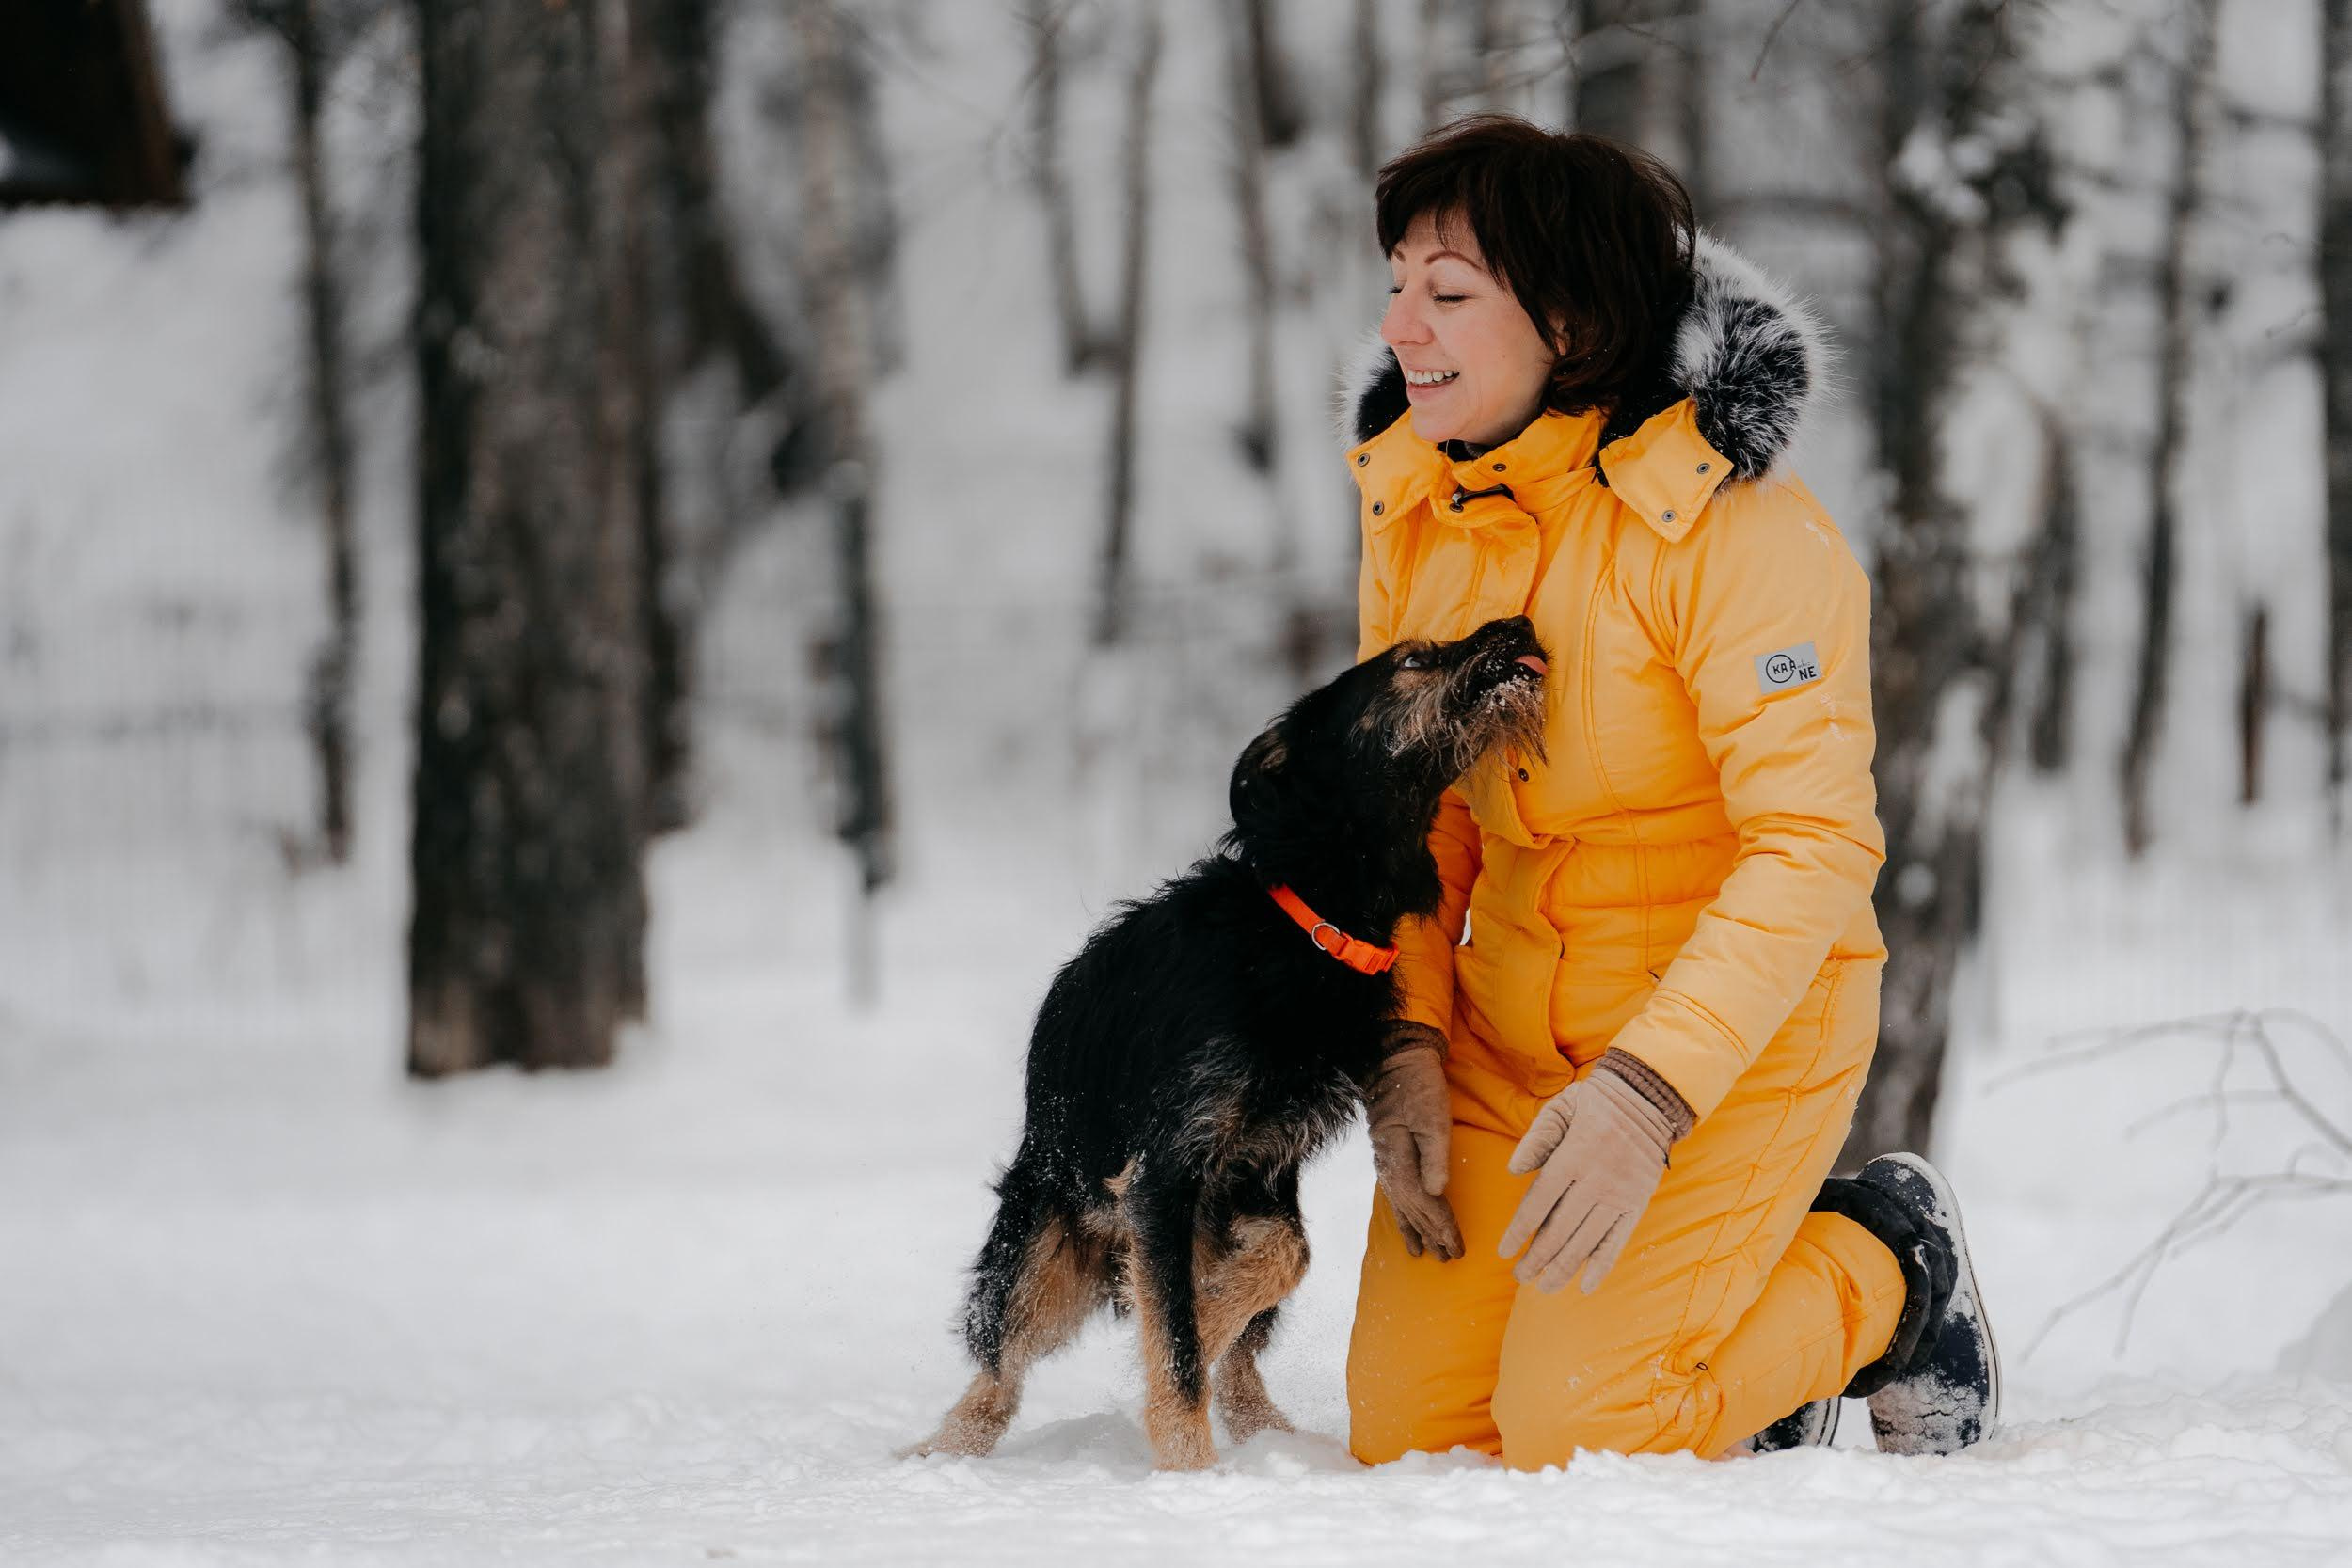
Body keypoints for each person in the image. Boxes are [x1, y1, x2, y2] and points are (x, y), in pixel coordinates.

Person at [1342, 116, 1999, 1469]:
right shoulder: (1418, 508)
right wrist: (1404, 1039)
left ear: (1571, 322)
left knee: (1583, 1430)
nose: (1401, 325)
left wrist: (1650, 1091)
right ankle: (1716, 1339)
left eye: (1448, 292)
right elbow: (1419, 816)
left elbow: (1812, 845)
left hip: (1728, 1040)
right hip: (1507, 1035)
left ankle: (1887, 1269)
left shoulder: (1731, 528)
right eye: (1398, 282)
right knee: (1408, 1437)